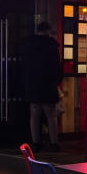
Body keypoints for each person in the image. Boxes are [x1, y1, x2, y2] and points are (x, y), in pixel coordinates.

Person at [21, 21, 63, 152]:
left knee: (34, 114)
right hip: (48, 84)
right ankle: (54, 143)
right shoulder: (52, 46)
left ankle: (36, 142)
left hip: (32, 85)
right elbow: (57, 67)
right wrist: (56, 81)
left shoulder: (28, 45)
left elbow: (24, 66)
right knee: (51, 115)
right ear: (48, 31)